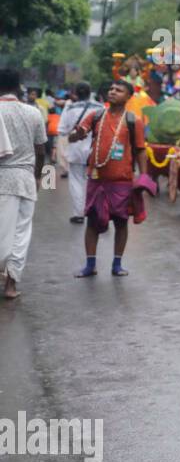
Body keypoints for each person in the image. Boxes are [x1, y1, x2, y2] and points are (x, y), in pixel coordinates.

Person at [68, 78, 148, 277]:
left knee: (121, 222)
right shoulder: (96, 116)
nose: (112, 91)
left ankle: (117, 264)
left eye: (118, 90)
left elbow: (140, 150)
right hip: (97, 179)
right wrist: (77, 134)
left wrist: (144, 177)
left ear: (128, 97)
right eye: (111, 88)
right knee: (92, 222)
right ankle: (90, 265)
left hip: (122, 181)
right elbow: (73, 136)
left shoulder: (133, 121)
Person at [0, 68, 47, 300]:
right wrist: (39, 177)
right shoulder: (33, 113)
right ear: (18, 86)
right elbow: (41, 151)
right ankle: (10, 285)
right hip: (25, 178)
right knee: (21, 232)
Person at [58, 82, 104, 224]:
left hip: (76, 149)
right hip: (94, 150)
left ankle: (79, 214)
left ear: (76, 93)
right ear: (90, 93)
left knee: (77, 182)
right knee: (95, 181)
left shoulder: (70, 108)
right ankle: (95, 211)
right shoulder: (100, 108)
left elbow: (62, 130)